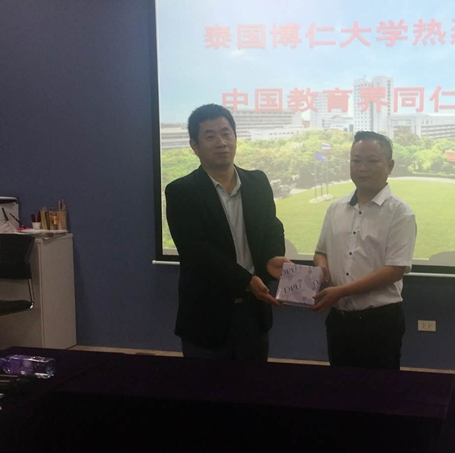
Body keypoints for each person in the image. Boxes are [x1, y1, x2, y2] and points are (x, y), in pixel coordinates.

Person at [165, 103, 287, 362]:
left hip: (254, 314)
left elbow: (272, 226)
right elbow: (196, 251)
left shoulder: (257, 182)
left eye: (226, 133)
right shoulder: (181, 192)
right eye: (210, 136)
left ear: (235, 137)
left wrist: (272, 257)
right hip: (206, 318)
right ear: (195, 146)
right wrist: (246, 280)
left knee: (254, 384)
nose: (221, 142)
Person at [311, 131, 417, 370]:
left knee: (379, 389)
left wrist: (342, 291)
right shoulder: (335, 208)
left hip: (380, 323)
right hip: (339, 320)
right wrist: (322, 269)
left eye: (372, 161)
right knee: (340, 387)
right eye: (356, 161)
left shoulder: (400, 213)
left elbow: (395, 270)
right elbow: (321, 252)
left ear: (390, 166)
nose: (362, 168)